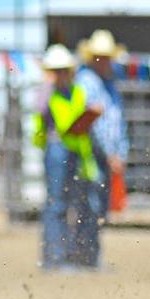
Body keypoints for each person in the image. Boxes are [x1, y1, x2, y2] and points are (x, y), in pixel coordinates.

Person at [33, 44, 101, 270]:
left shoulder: (76, 91)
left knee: (74, 204)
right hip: (56, 149)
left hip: (76, 150)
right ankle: (54, 257)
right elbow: (40, 114)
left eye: (63, 70)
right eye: (56, 70)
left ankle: (71, 255)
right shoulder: (48, 92)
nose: (61, 74)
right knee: (57, 205)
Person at [74, 29, 126, 226]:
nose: (103, 62)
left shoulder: (109, 83)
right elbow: (91, 122)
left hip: (106, 154)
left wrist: (119, 152)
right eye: (99, 58)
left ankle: (91, 253)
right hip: (91, 153)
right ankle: (87, 253)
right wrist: (111, 153)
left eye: (106, 58)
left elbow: (118, 122)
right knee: (90, 204)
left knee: (98, 205)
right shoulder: (87, 81)